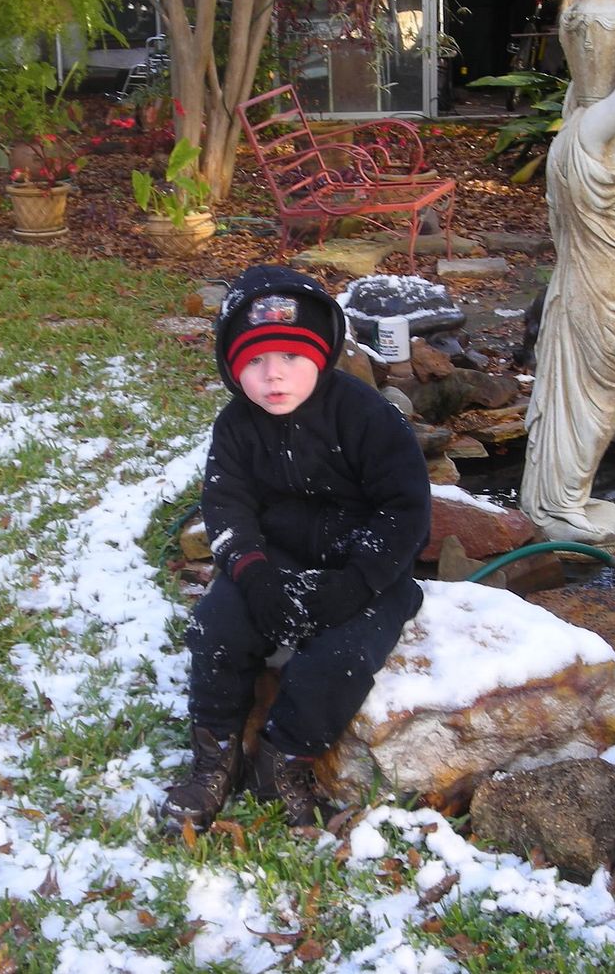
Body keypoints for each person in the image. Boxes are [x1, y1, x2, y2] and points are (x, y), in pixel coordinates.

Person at [161, 265, 432, 834]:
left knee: (340, 657)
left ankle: (284, 758)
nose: (273, 376)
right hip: (275, 561)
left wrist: (359, 582)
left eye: (290, 357)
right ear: (234, 369)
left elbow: (405, 508)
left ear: (321, 355)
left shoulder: (365, 416)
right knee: (216, 629)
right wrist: (253, 575)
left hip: (363, 567)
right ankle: (216, 755)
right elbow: (227, 509)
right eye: (254, 361)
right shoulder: (236, 427)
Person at [518, 0, 615, 550]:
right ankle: (564, 501)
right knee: (603, 376)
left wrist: (608, 20)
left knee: (592, 382)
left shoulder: (571, 126)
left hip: (597, 283)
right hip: (597, 293)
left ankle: (562, 495)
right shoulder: (587, 134)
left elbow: (593, 83)